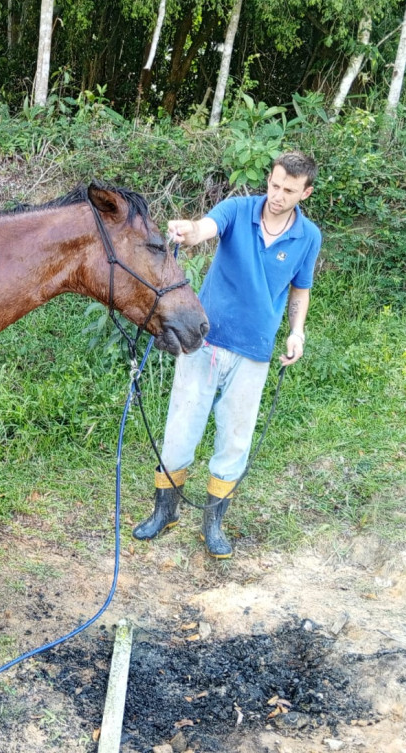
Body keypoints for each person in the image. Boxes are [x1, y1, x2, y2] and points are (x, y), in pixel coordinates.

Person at [133, 150, 322, 558]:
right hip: (204, 338)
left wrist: (297, 332)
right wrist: (188, 230)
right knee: (181, 425)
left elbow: (300, 289)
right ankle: (164, 512)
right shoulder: (239, 209)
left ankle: (213, 524)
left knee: (235, 437)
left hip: (254, 348)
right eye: (274, 185)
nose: (277, 195)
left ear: (305, 192)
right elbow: (206, 227)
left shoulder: (309, 237)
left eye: (289, 190)